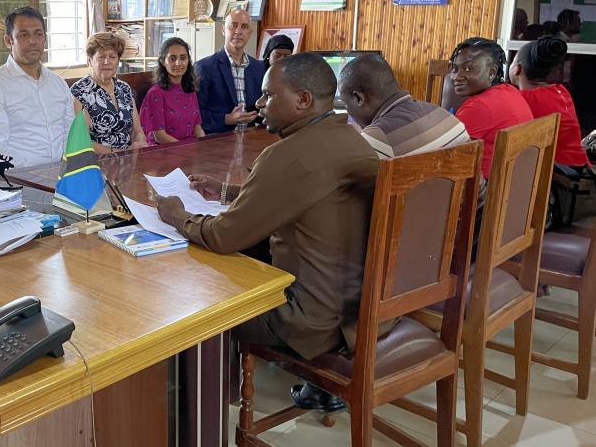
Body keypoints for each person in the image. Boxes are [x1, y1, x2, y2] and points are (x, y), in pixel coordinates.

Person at [157, 53, 378, 408]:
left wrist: (177, 215)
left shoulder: (288, 156)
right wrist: (229, 192)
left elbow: (223, 237)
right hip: (357, 309)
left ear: (303, 100)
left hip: (308, 321)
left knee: (197, 297)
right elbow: (308, 200)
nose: (259, 103)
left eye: (268, 95)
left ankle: (205, 412)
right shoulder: (352, 139)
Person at [0, 6, 74, 167]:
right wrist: (40, 173)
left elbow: (70, 135)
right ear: (8, 41)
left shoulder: (58, 84)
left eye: (38, 34)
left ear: (45, 39)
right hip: (18, 180)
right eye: (23, 35)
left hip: (61, 177)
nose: (32, 41)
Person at [339, 53, 469, 157]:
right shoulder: (445, 115)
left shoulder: (377, 139)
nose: (348, 110)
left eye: (346, 104)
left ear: (358, 98)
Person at [450, 37, 533, 180]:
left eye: (468, 68)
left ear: (492, 72)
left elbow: (444, 154)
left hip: (483, 190)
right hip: (512, 182)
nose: (456, 77)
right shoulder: (509, 91)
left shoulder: (480, 106)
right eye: (455, 69)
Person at [510, 36, 589, 168]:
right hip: (579, 167)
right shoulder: (560, 91)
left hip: (559, 174)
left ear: (517, 69)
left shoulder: (522, 99)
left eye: (512, 61)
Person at [69, 32, 147, 153]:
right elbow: (81, 141)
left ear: (118, 60)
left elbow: (137, 131)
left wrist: (139, 144)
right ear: (90, 60)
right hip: (96, 163)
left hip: (128, 161)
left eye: (112, 57)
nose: (107, 62)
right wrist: (118, 153)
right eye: (101, 57)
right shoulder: (79, 92)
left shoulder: (124, 88)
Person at [195, 9, 265, 134]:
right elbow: (194, 114)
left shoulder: (258, 68)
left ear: (250, 33)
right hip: (218, 141)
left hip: (251, 139)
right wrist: (225, 119)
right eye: (233, 26)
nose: (238, 31)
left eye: (244, 27)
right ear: (223, 30)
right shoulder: (204, 67)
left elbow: (261, 108)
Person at [139, 37, 206, 145]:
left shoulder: (190, 90)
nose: (178, 63)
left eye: (183, 58)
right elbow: (159, 137)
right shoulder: (155, 93)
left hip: (190, 150)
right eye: (172, 58)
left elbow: (197, 128)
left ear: (188, 61)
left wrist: (204, 147)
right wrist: (186, 151)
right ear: (163, 61)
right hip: (165, 151)